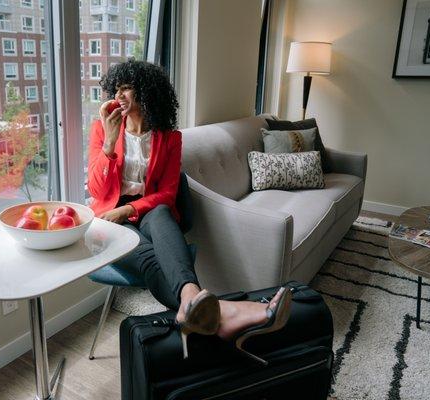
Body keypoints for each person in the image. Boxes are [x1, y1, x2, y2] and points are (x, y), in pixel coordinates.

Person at [87, 60, 291, 358]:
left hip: (148, 210)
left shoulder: (169, 138)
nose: (119, 94)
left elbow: (168, 194)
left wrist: (129, 209)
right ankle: (212, 307)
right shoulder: (101, 130)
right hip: (110, 218)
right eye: (116, 88)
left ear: (147, 92)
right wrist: (108, 143)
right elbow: (96, 190)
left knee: (161, 215)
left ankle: (193, 307)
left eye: (127, 87)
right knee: (146, 255)